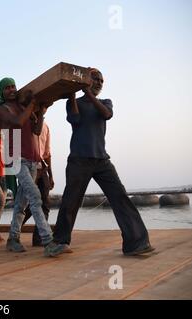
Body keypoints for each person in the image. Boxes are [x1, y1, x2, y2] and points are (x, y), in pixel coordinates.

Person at [53, 69, 154, 256]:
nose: (99, 82)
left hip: (102, 160)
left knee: (120, 197)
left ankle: (136, 243)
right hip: (78, 160)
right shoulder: (74, 102)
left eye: (101, 80)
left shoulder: (106, 102)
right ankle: (60, 241)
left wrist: (88, 92)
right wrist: (74, 96)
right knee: (70, 201)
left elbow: (107, 114)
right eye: (95, 79)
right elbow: (74, 120)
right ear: (86, 80)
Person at [0, 77, 64, 257]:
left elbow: (37, 130)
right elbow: (17, 122)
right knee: (35, 195)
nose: (11, 90)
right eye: (7, 88)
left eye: (13, 86)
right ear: (2, 92)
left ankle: (12, 239)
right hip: (15, 158)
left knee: (21, 203)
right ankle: (48, 241)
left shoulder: (24, 108)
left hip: (32, 161)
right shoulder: (1, 109)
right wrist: (33, 103)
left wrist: (41, 112)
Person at [21, 104, 55, 246]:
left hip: (42, 169)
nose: (43, 109)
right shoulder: (22, 124)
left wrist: (50, 174)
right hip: (28, 168)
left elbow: (47, 153)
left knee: (45, 204)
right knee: (25, 205)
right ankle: (14, 232)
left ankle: (39, 238)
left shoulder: (45, 127)